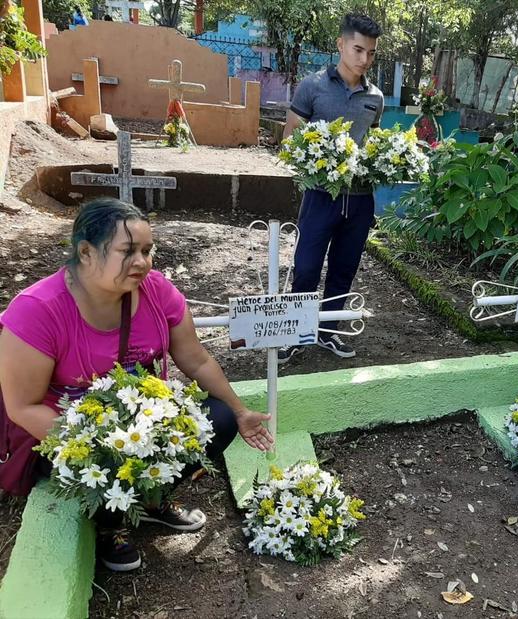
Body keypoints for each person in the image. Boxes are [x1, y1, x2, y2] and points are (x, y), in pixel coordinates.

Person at [0, 198, 273, 571]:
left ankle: (152, 501)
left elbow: (196, 359)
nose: (143, 262)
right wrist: (100, 448)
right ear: (86, 252)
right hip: (60, 434)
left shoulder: (156, 292)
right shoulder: (37, 311)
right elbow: (23, 406)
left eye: (147, 250)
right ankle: (110, 525)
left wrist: (241, 411)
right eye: (128, 251)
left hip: (137, 420)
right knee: (117, 461)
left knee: (219, 419)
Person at [278, 13, 384, 364]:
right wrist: (317, 158)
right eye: (358, 49)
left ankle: (328, 333)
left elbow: (373, 142)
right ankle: (294, 335)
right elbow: (289, 137)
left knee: (344, 268)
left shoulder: (376, 97)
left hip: (359, 200)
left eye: (370, 53)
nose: (364, 59)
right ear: (340, 45)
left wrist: (382, 160)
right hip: (321, 196)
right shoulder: (312, 86)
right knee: (306, 266)